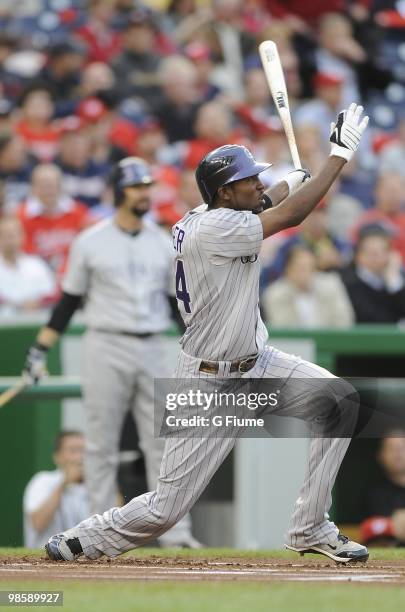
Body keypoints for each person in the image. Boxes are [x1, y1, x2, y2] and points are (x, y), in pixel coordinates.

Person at [44, 103, 370, 564]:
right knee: (166, 509)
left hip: (257, 363)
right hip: (209, 379)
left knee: (339, 402)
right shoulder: (216, 228)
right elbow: (290, 215)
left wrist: (293, 180)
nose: (258, 183)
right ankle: (90, 536)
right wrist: (336, 157)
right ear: (223, 191)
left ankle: (310, 526)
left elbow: (268, 202)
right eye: (249, 179)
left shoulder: (212, 212)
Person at [22, 156, 199, 549]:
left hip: (152, 342)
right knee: (100, 444)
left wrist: (199, 347)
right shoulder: (90, 240)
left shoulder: (163, 242)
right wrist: (39, 350)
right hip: (105, 342)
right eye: (137, 187)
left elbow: (175, 307)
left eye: (147, 186)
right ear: (119, 191)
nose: (144, 193)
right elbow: (67, 303)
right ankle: (95, 532)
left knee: (164, 442)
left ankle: (177, 533)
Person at [23, 431, 89, 548]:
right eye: (73, 450)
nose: (80, 457)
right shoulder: (43, 480)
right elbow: (37, 523)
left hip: (85, 562)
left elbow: (114, 526)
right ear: (57, 457)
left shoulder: (96, 487)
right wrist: (64, 483)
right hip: (43, 559)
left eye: (83, 451)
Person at [261, 245, 354, 328]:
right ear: (287, 269)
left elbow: (344, 321)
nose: (305, 273)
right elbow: (283, 328)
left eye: (310, 267)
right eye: (299, 267)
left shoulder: (331, 284)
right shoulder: (274, 293)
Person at [341, 228, 405, 323]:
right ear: (359, 256)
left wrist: (393, 281)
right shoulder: (348, 281)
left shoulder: (394, 279)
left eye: (384, 251)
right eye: (373, 253)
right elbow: (370, 318)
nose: (380, 258)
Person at [0, 216, 56, 315]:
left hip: (35, 322)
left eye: (13, 235)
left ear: (22, 236)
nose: (9, 240)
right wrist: (17, 305)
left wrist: (37, 303)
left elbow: (50, 295)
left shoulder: (37, 265)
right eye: (4, 235)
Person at [360, 435, 405, 547]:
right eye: (392, 449)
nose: (398, 454)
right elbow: (369, 530)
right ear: (381, 456)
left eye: (401, 448)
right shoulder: (375, 493)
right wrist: (392, 526)